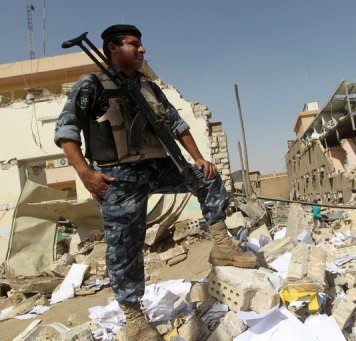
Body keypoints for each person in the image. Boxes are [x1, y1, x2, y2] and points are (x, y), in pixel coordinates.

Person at [54, 24, 257, 340]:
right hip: (117, 176)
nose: (142, 49)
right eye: (134, 44)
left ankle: (222, 247)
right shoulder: (91, 85)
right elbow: (66, 132)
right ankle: (135, 320)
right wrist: (85, 173)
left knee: (208, 179)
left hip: (158, 165)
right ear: (113, 48)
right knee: (125, 247)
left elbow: (178, 125)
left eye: (141, 44)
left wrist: (199, 157)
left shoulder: (150, 88)